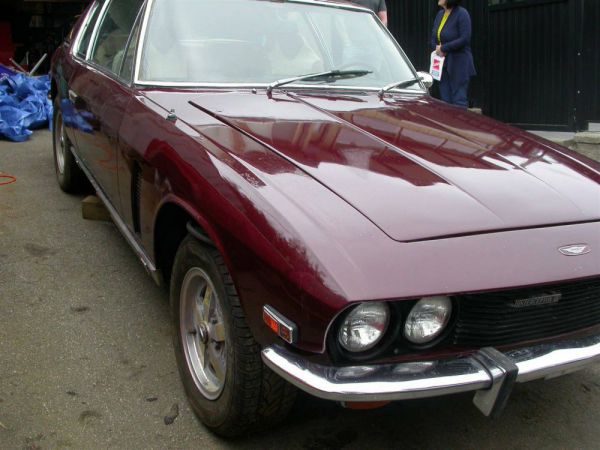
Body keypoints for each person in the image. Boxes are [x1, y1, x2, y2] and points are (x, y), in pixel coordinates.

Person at [431, 0, 476, 108]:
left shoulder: (462, 13)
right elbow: (434, 37)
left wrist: (444, 48)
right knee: (445, 102)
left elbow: (465, 38)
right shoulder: (440, 14)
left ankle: (459, 125)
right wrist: (436, 48)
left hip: (459, 63)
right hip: (442, 64)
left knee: (458, 101)